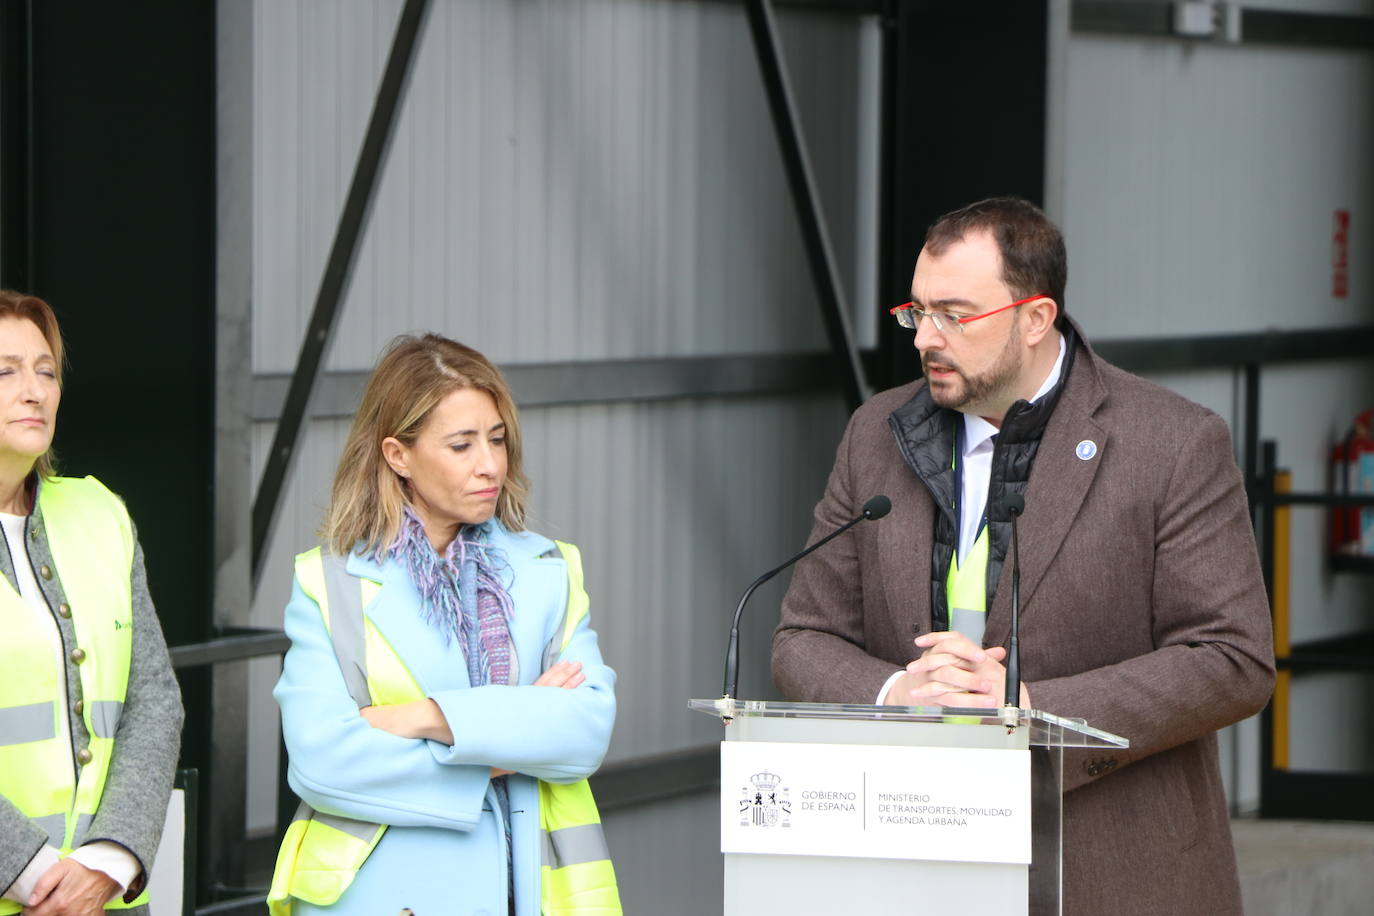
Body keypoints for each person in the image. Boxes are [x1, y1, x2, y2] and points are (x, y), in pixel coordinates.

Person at [771, 198, 1275, 915]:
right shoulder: (875, 433)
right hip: (913, 868)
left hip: (1110, 876)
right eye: (916, 313)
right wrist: (897, 696)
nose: (925, 340)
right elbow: (803, 638)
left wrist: (1030, 710)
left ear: (1035, 318)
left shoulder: (1172, 444)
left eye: (955, 314)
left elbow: (1234, 660)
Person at [269, 334, 620, 916]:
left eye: (497, 439)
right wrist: (511, 736)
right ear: (397, 454)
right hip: (387, 896)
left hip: (531, 893)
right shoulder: (330, 582)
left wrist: (425, 718)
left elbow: (584, 729)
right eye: (461, 445)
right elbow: (322, 758)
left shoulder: (548, 570)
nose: (490, 465)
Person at [0, 291, 184, 916]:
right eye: (6, 371)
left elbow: (154, 699)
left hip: (106, 898)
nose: (35, 391)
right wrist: (32, 876)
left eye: (46, 371)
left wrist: (109, 860)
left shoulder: (99, 512)